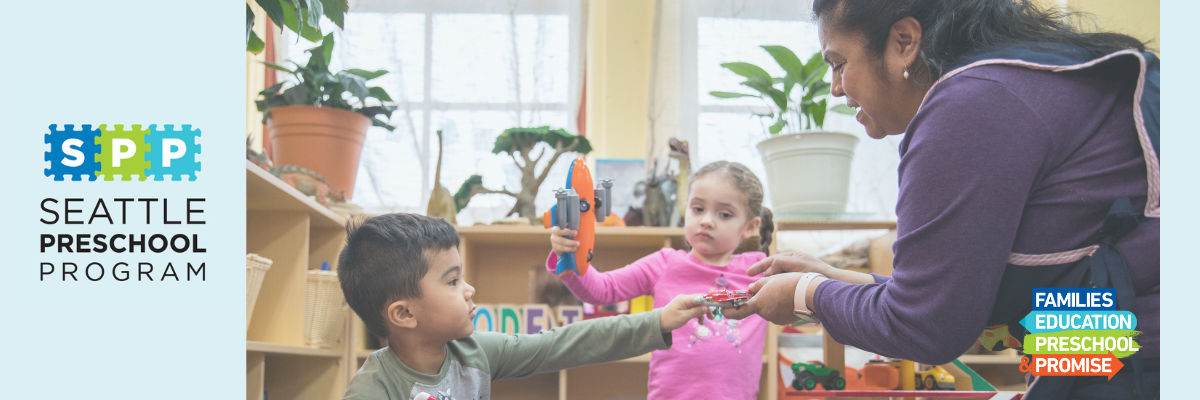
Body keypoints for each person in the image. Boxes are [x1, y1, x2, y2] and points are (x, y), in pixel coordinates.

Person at [721, 1, 1160, 399]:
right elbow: (955, 296)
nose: (836, 88)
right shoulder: (1028, 80)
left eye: (839, 63)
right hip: (1102, 345)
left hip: (1135, 361)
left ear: (904, 42)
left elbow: (926, 326)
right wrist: (835, 278)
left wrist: (804, 294)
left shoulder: (970, 106)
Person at [337, 213, 713, 400]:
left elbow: (562, 344)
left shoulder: (473, 353)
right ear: (403, 314)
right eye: (452, 281)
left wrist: (658, 320)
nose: (468, 290)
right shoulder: (373, 388)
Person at [548, 161, 775, 399]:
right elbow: (602, 290)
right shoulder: (664, 263)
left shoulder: (760, 272)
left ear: (750, 226)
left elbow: (808, 298)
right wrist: (569, 254)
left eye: (725, 214)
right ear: (685, 209)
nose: (707, 220)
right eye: (698, 209)